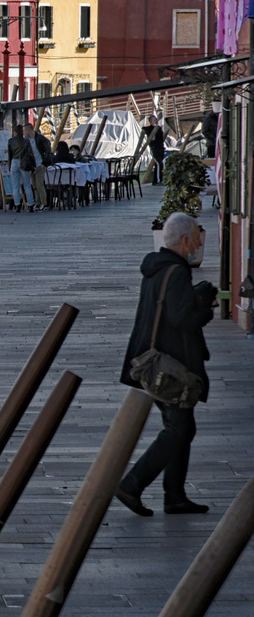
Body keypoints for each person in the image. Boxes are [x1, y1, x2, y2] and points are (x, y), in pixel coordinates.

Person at [116, 212, 216, 516]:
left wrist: (193, 299)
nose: (200, 240)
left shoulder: (157, 267)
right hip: (171, 366)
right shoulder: (176, 272)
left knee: (181, 428)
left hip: (153, 358)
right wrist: (206, 310)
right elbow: (181, 318)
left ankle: (174, 495)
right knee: (177, 429)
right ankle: (132, 485)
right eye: (198, 235)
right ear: (185, 240)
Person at [5, 124, 33, 212]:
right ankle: (30, 205)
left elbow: (10, 155)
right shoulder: (26, 141)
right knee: (27, 185)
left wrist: (10, 166)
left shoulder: (11, 141)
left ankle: (17, 206)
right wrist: (32, 166)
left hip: (14, 162)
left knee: (15, 186)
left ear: (15, 132)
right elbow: (30, 154)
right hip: (24, 163)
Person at [32, 127, 53, 209]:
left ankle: (43, 203)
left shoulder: (39, 139)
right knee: (34, 185)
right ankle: (38, 202)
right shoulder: (28, 140)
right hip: (33, 165)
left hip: (40, 164)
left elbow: (47, 150)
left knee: (39, 184)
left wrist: (44, 163)